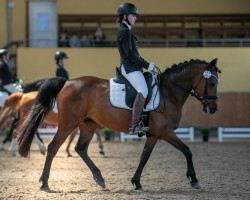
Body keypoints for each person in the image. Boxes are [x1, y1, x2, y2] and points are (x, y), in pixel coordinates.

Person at [116, 3, 155, 135]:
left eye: (135, 16)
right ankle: (133, 126)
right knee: (143, 90)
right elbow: (130, 54)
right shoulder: (124, 31)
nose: (135, 18)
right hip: (129, 67)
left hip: (133, 67)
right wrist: (146, 65)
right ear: (124, 16)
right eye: (133, 15)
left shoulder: (127, 30)